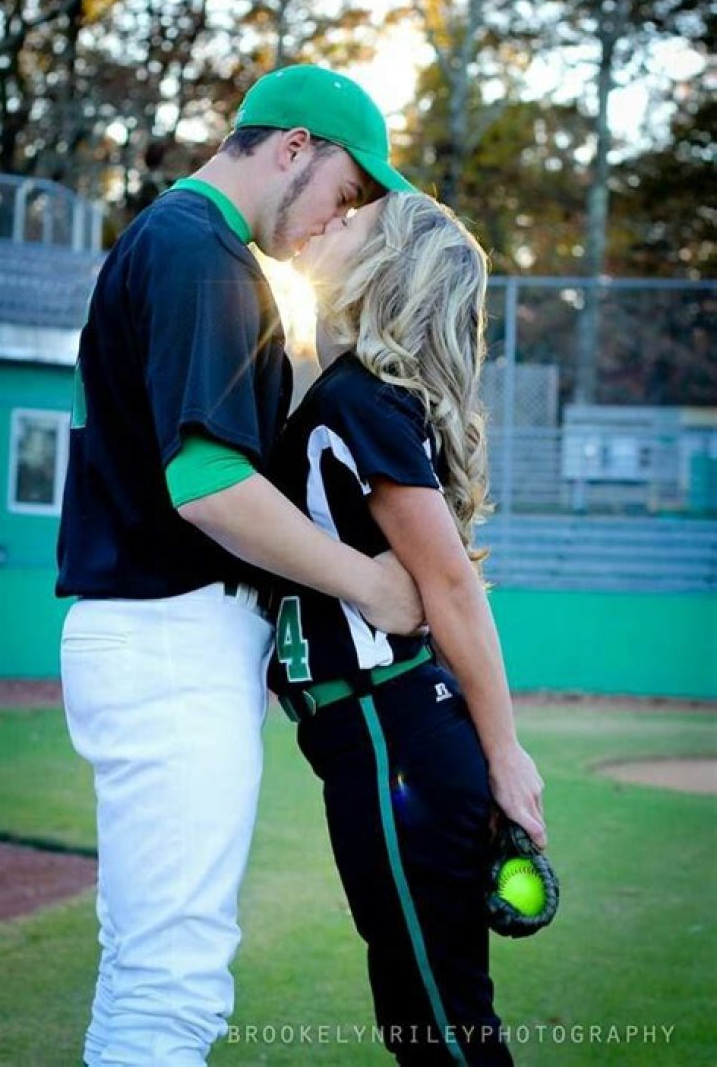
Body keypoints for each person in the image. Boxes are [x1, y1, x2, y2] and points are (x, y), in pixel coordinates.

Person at [56, 65, 424, 1067]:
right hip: (172, 629)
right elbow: (211, 486)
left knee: (151, 962)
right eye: (346, 194)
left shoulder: (190, 246)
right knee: (173, 983)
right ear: (295, 147)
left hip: (161, 631)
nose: (334, 220)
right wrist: (372, 582)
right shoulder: (198, 250)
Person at [269, 191, 547, 1065]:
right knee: (425, 1016)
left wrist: (506, 756)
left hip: (395, 738)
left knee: (439, 1026)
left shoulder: (364, 399)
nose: (332, 221)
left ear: (393, 267)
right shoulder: (354, 388)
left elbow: (453, 591)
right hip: (380, 735)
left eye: (354, 222)